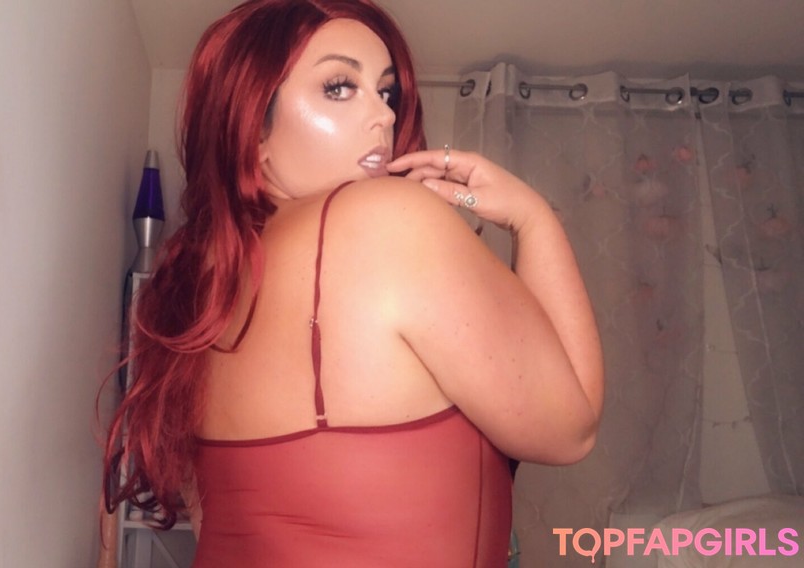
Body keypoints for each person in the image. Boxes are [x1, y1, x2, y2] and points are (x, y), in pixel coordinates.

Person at [103, 0, 604, 566]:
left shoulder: (206, 286)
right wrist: (533, 217)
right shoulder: (386, 219)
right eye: (339, 87)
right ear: (252, 127)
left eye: (386, 91)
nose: (384, 116)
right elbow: (572, 428)